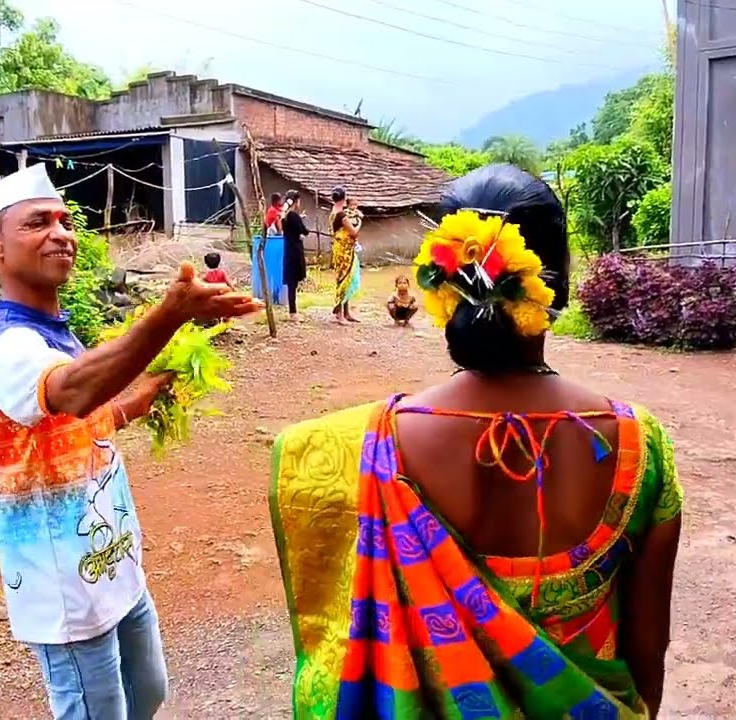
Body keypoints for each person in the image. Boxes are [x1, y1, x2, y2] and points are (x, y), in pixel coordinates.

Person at [269, 164, 683, 719]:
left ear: (439, 281)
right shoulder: (638, 444)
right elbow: (647, 649)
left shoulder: (357, 448)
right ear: (558, 278)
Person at [0, 163, 260, 720]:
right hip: (66, 591)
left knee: (146, 694)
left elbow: (82, 417)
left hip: (113, 565)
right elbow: (73, 392)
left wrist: (143, 393)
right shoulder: (7, 345)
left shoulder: (58, 333)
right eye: (37, 223)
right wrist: (167, 316)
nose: (60, 232)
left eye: (63, 219)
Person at [329, 187, 361, 325]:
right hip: (344, 251)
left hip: (343, 249)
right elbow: (353, 232)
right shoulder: (341, 215)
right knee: (343, 280)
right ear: (344, 198)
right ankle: (340, 313)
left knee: (347, 279)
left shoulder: (333, 212)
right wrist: (360, 221)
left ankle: (346, 312)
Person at [281, 189, 310, 322]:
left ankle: (293, 310)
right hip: (295, 251)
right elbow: (304, 231)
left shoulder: (286, 216)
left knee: (291, 283)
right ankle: (293, 312)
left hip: (288, 250)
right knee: (293, 282)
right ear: (296, 201)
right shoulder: (293, 216)